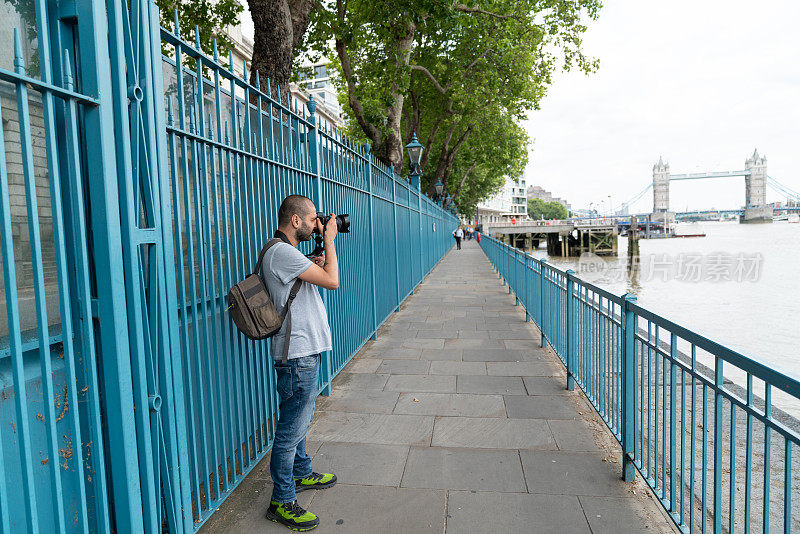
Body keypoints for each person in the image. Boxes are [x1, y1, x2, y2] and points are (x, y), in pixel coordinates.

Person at [262, 194, 340, 531]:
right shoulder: (280, 252)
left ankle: (301, 472)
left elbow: (315, 275)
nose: (316, 225)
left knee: (298, 420)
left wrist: (319, 253)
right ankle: (281, 500)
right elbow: (333, 281)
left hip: (303, 352)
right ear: (295, 220)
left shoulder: (287, 253)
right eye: (312, 221)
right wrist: (331, 241)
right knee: (289, 429)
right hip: (297, 355)